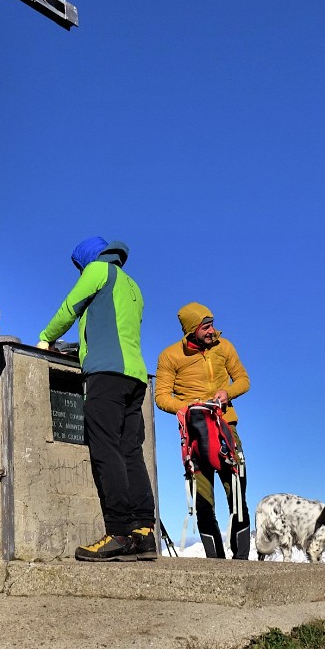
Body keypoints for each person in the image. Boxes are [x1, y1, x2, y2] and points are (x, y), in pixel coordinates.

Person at [37, 237, 157, 562]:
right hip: (135, 377)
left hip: (106, 375)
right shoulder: (133, 286)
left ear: (86, 260)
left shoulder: (97, 271)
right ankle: (144, 533)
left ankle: (117, 533)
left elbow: (69, 308)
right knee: (131, 451)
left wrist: (46, 339)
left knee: (105, 449)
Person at [155, 303, 252, 559]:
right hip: (195, 434)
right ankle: (216, 563)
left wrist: (226, 393)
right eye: (205, 326)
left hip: (226, 429)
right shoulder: (170, 356)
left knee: (237, 493)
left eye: (211, 324)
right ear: (191, 330)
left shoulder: (225, 346)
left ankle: (241, 560)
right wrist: (187, 407)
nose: (212, 331)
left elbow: (243, 380)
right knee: (203, 499)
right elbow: (161, 396)